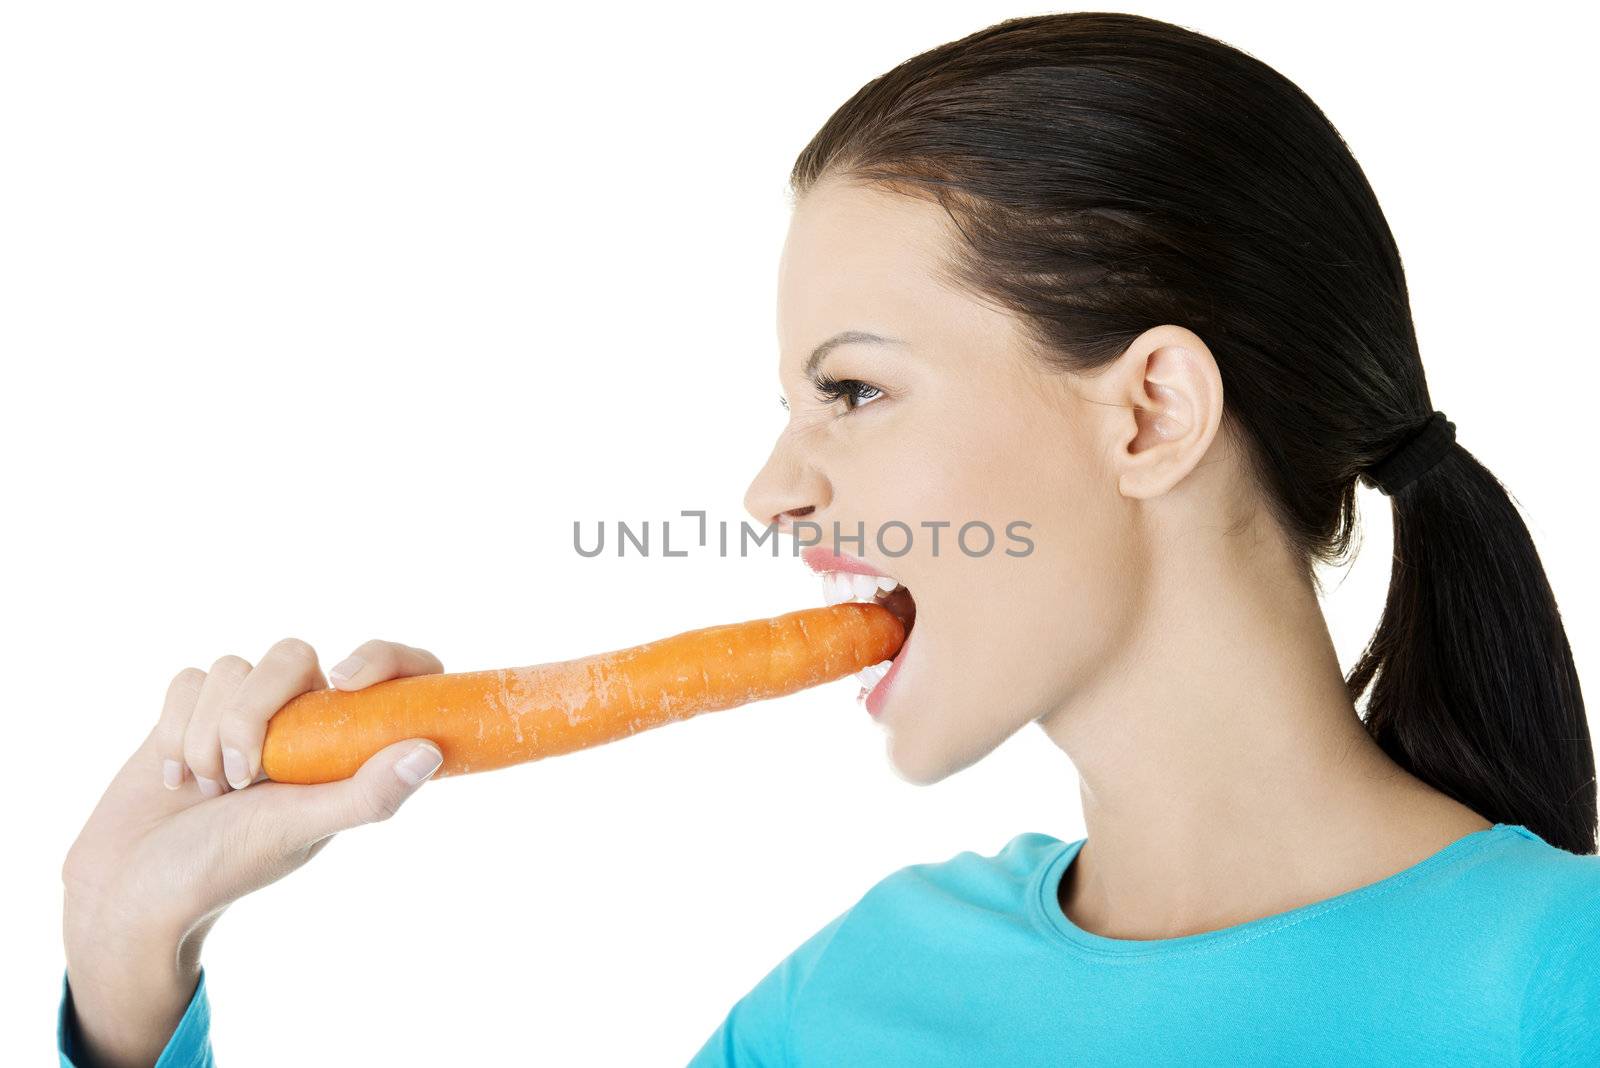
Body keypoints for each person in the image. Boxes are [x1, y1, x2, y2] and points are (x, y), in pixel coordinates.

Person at [59, 11, 1600, 1066]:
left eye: (853, 389)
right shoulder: (853, 996)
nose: (769, 495)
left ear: (1150, 414)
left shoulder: (1552, 984)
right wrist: (130, 978)